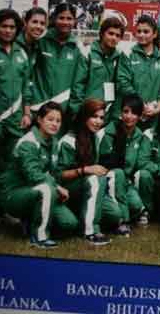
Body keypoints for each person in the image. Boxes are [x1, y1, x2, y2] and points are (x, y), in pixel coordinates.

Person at [0, 102, 78, 248]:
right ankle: (39, 237)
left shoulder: (53, 141)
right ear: (39, 120)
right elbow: (34, 175)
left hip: (38, 190)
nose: (54, 124)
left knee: (69, 223)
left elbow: (52, 172)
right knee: (45, 189)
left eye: (58, 121)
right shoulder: (28, 143)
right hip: (14, 194)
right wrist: (57, 187)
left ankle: (30, 220)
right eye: (50, 119)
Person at [0, 8, 33, 226]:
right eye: (4, 26)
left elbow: (26, 85)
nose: (8, 30)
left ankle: (6, 207)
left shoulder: (21, 52)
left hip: (16, 119)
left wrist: (27, 112)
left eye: (12, 27)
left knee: (11, 165)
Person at [56, 98, 123, 245]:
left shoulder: (95, 138)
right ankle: (90, 231)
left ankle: (85, 214)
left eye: (101, 118)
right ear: (84, 116)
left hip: (86, 188)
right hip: (65, 190)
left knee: (115, 214)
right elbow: (59, 176)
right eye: (94, 117)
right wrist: (86, 170)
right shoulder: (68, 140)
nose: (98, 121)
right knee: (94, 178)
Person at [97, 94, 150, 232]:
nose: (129, 116)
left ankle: (133, 211)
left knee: (137, 205)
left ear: (140, 116)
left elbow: (139, 163)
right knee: (118, 174)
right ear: (121, 112)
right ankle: (123, 220)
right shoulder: (109, 132)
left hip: (125, 182)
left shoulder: (140, 136)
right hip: (107, 179)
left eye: (134, 113)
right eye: (126, 111)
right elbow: (103, 164)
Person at [29, 3, 82, 133]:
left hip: (62, 113)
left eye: (69, 19)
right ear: (54, 19)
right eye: (61, 18)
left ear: (75, 21)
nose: (65, 22)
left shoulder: (77, 48)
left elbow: (78, 82)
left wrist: (73, 108)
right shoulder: (41, 41)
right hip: (38, 109)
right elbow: (28, 74)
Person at [70, 17, 125, 123]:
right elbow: (78, 85)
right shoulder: (88, 52)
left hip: (107, 115)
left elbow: (119, 88)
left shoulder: (119, 57)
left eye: (118, 35)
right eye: (111, 33)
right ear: (102, 33)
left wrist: (114, 114)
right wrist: (77, 111)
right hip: (87, 113)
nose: (114, 38)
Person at [116, 15, 160, 131]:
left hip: (152, 116)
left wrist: (158, 107)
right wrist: (140, 104)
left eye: (146, 31)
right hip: (131, 114)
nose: (141, 35)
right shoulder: (128, 54)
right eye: (139, 31)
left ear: (155, 34)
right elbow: (123, 83)